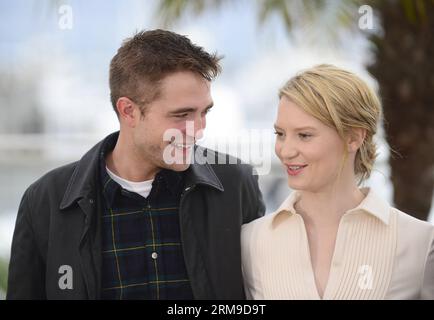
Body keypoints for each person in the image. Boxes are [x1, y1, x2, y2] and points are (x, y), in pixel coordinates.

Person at [7, 29, 265, 300]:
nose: (198, 130)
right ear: (128, 110)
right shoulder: (45, 201)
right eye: (182, 115)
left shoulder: (237, 184)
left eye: (204, 112)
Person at [241, 64, 434, 300]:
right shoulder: (252, 241)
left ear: (353, 137)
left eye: (304, 135)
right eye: (280, 134)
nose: (286, 150)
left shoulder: (421, 243)